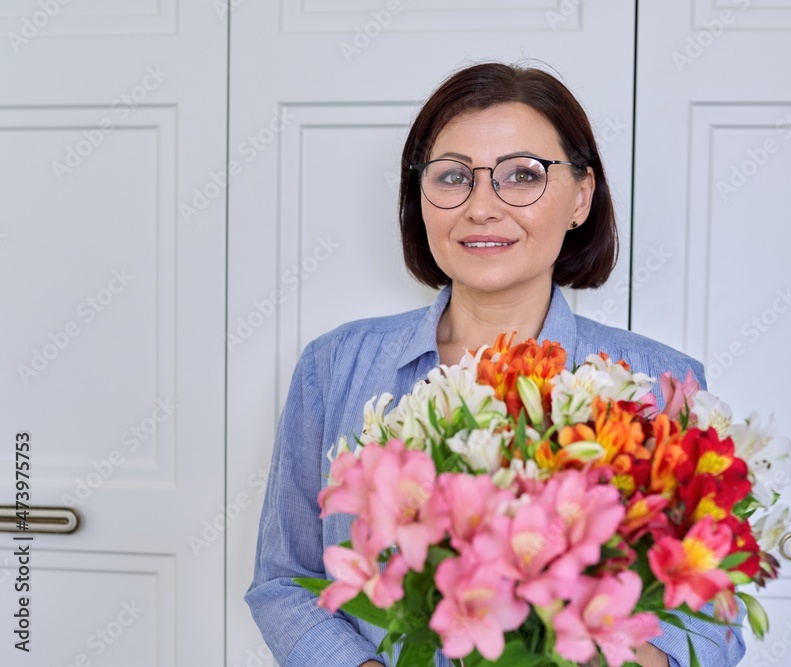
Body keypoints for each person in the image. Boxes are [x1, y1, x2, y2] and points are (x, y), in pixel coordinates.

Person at [246, 62, 746, 667]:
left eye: (522, 175)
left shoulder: (658, 384)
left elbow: (712, 620)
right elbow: (284, 580)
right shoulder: (336, 367)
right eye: (453, 176)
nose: (481, 207)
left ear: (581, 196)